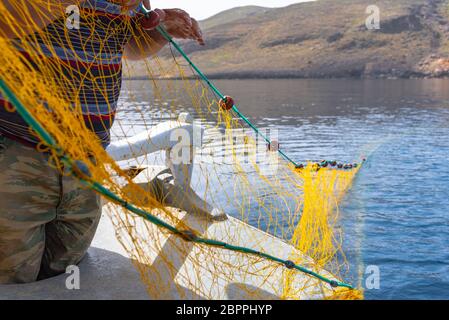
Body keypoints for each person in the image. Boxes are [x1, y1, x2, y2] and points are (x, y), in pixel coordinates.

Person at [0, 0, 204, 284]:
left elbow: (129, 46)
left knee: (65, 274)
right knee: (11, 278)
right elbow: (5, 23)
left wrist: (159, 32)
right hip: (16, 150)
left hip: (88, 159)